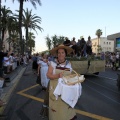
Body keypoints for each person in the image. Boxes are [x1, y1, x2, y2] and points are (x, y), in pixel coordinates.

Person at [40, 45, 78, 120]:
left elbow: (70, 75)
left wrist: (74, 80)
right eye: (59, 53)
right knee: (56, 110)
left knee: (65, 108)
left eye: (62, 53)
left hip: (66, 91)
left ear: (65, 54)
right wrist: (57, 75)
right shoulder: (53, 63)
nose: (61, 54)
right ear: (57, 54)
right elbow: (48, 75)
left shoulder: (69, 64)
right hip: (55, 90)